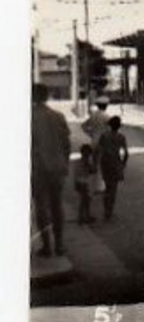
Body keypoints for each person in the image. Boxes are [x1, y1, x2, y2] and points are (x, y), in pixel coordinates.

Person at [31, 83, 71, 257]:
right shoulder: (58, 116)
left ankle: (47, 246)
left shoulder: (28, 118)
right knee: (57, 206)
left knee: (41, 207)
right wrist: (65, 163)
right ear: (46, 96)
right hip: (57, 168)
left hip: (38, 169)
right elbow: (67, 144)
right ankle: (60, 245)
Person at [98, 115, 130, 222]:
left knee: (107, 186)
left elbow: (99, 150)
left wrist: (95, 162)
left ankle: (106, 209)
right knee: (113, 189)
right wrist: (123, 163)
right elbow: (125, 153)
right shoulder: (121, 137)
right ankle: (109, 211)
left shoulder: (104, 136)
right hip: (115, 163)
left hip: (105, 163)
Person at [71, 144, 101, 225]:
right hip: (83, 183)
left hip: (79, 182)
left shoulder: (79, 161)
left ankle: (85, 216)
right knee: (84, 201)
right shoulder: (86, 162)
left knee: (85, 201)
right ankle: (82, 218)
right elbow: (93, 170)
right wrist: (96, 161)